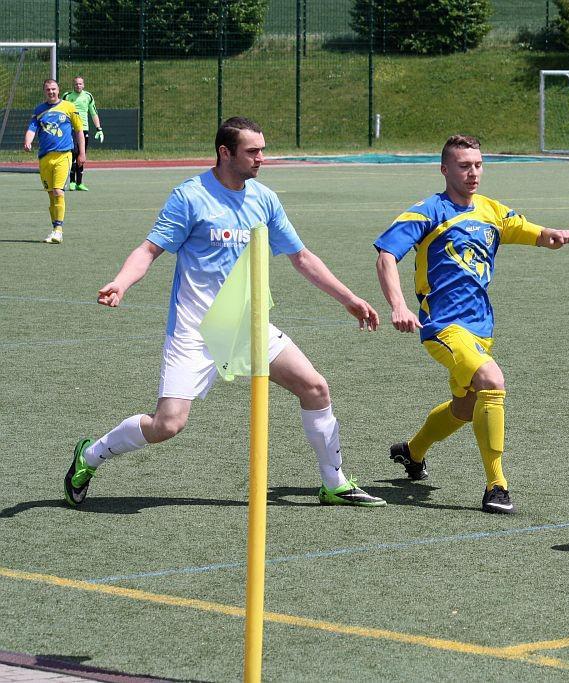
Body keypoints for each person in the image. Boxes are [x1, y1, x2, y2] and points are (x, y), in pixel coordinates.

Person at [64, 117, 386, 509]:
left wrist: (348, 299)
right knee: (168, 424)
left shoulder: (264, 199)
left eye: (262, 150)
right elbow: (149, 250)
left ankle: (334, 483)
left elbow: (301, 257)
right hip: (194, 330)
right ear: (225, 152)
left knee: (315, 388)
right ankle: (90, 455)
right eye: (252, 151)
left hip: (247, 326)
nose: (261, 158)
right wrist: (121, 282)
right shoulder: (190, 196)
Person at [374, 134, 569, 514]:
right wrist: (399, 306)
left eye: (478, 165)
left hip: (481, 327)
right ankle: (497, 486)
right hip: (442, 326)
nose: (473, 173)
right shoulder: (428, 212)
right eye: (464, 166)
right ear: (444, 169)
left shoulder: (490, 211)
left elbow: (526, 230)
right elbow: (386, 255)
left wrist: (550, 236)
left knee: (465, 408)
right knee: (492, 381)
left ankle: (412, 452)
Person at [23, 78, 85, 245]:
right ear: (44, 91)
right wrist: (28, 141)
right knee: (51, 194)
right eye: (48, 89)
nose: (51, 92)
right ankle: (55, 229)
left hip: (63, 156)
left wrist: (82, 153)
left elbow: (79, 130)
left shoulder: (69, 107)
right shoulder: (39, 110)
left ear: (58, 90)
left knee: (58, 191)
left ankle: (59, 230)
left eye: (53, 89)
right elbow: (32, 128)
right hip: (44, 158)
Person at [62, 76, 104, 192]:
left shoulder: (88, 96)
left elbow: (93, 113)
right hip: (70, 129)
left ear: (83, 85)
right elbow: (61, 111)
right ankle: (71, 182)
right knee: (73, 154)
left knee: (81, 155)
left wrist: (99, 128)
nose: (78, 86)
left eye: (80, 84)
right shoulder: (67, 96)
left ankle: (79, 183)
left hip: (84, 129)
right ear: (73, 85)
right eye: (76, 84)